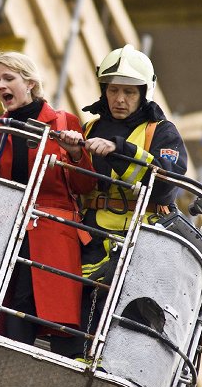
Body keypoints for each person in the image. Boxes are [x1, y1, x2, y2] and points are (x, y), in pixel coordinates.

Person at [0, 49, 96, 357]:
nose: (1, 86)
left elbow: (84, 185)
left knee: (25, 301)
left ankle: (14, 357)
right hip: (4, 222)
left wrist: (75, 153)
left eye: (8, 78)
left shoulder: (62, 122)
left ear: (30, 82)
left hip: (47, 225)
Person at [72, 44, 188, 359]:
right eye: (113, 91)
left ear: (142, 94)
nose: (120, 99)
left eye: (129, 92)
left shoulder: (162, 133)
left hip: (138, 239)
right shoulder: (90, 128)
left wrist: (121, 150)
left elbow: (166, 187)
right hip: (88, 232)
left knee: (121, 307)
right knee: (74, 295)